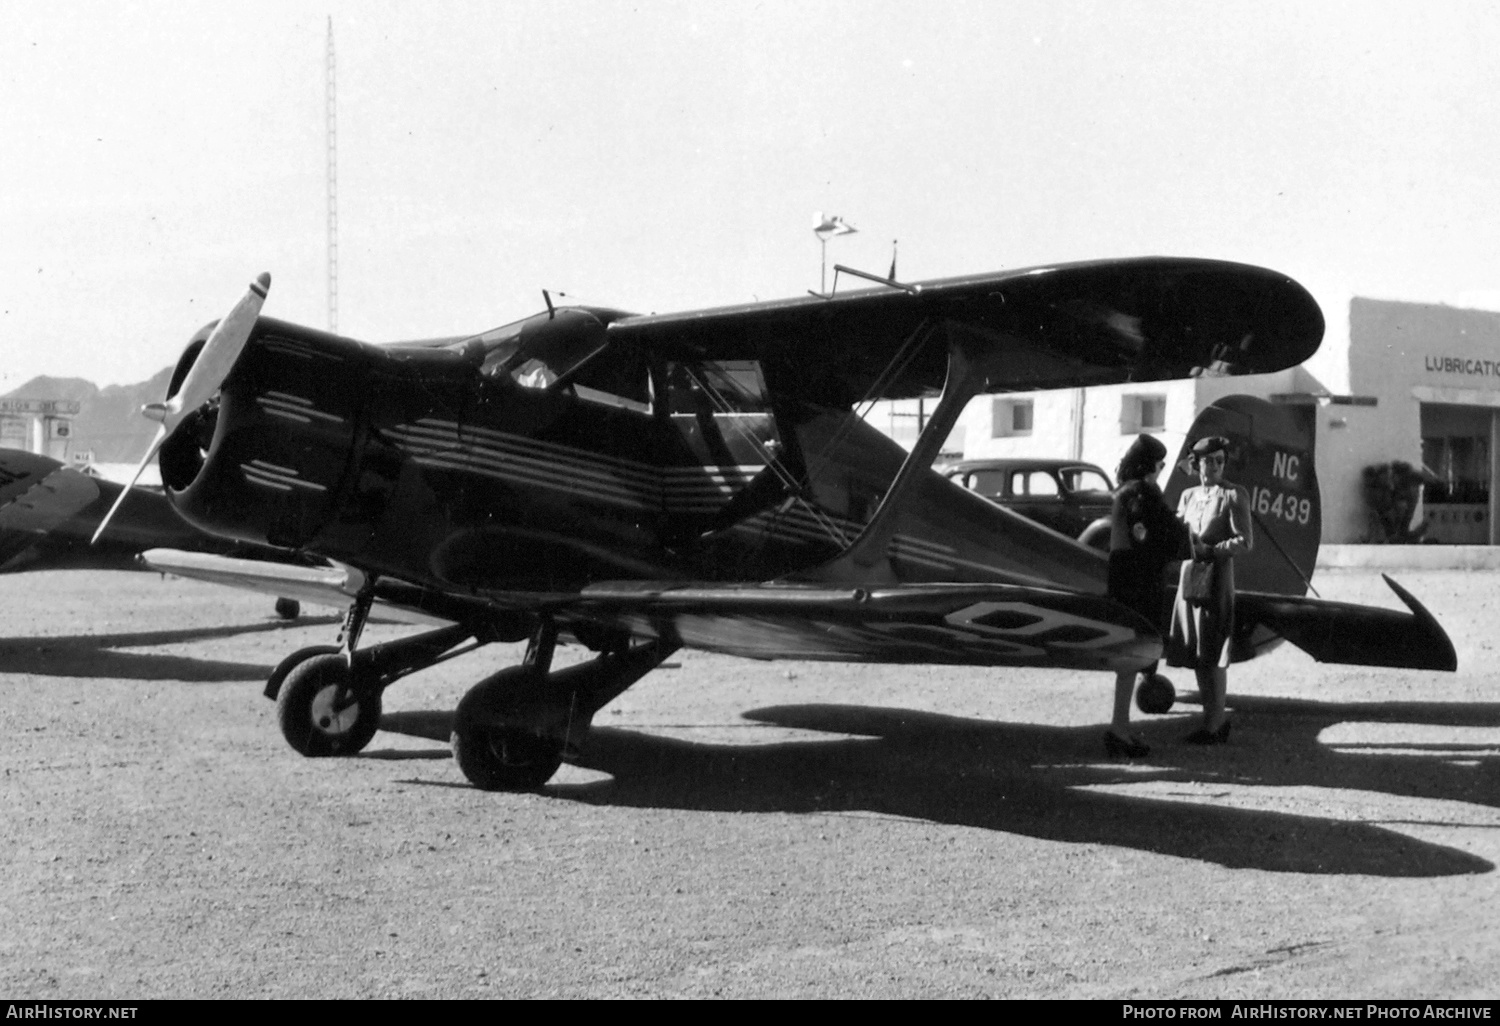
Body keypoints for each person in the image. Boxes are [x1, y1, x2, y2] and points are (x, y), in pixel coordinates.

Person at [1104, 434, 1189, 757]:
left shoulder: (1123, 491)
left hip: (1122, 576)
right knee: (1133, 654)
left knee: (1129, 656)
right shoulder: (1140, 492)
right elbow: (1149, 534)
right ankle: (1119, 731)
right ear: (1150, 465)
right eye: (1160, 465)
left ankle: (1120, 727)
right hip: (1139, 577)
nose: (1160, 471)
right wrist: (1184, 537)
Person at [1169, 435, 1253, 745]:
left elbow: (1245, 541)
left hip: (1216, 578)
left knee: (1214, 650)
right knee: (1198, 650)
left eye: (1220, 460)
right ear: (1197, 463)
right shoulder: (1189, 495)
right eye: (1209, 460)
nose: (1215, 466)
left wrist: (1211, 549)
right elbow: (1178, 532)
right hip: (1191, 577)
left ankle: (1217, 724)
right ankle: (1209, 721)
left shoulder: (1233, 495)